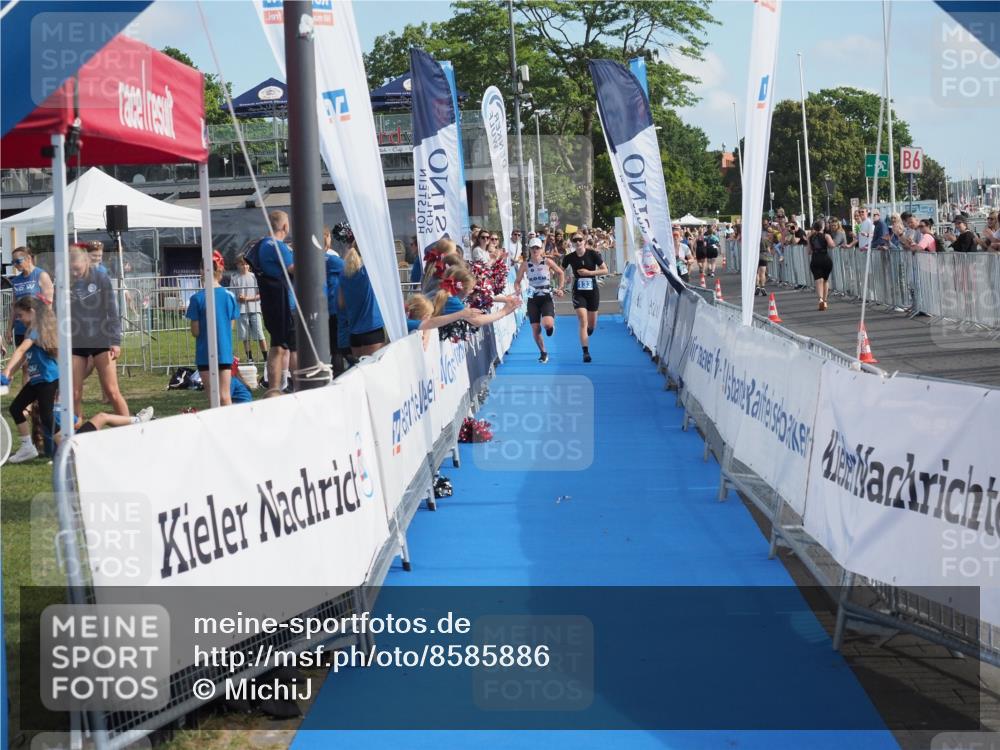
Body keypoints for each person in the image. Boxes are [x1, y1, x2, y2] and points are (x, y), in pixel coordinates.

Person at [68, 243, 129, 418]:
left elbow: (112, 311)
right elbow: (58, 313)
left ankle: (131, 426)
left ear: (86, 260)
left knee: (111, 391)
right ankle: (76, 435)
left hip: (101, 340)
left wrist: (115, 341)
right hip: (77, 342)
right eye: (71, 270)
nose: (75, 273)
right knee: (74, 394)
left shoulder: (101, 278)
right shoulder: (65, 282)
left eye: (77, 269)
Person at [1, 297, 59, 462]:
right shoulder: (30, 330)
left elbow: (20, 351)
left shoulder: (36, 330)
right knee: (16, 408)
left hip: (48, 379)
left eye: (20, 315)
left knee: (47, 417)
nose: (18, 319)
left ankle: (68, 451)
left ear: (32, 312)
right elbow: (23, 358)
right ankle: (28, 447)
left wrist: (5, 371)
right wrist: (10, 374)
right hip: (36, 380)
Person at [251, 210, 297, 394]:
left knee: (277, 345)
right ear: (285, 226)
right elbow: (293, 269)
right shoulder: (278, 246)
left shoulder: (262, 244)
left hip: (271, 303)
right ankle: (300, 386)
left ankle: (274, 389)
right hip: (286, 303)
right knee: (294, 347)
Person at [186, 251, 240, 407]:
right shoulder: (229, 296)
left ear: (203, 271)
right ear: (220, 270)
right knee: (225, 396)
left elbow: (195, 331)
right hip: (224, 352)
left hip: (204, 354)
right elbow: (231, 326)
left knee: (212, 398)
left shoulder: (196, 298)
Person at [514, 237, 565, 363]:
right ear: (530, 249)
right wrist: (517, 289)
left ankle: (550, 327)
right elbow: (517, 281)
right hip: (533, 298)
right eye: (533, 248)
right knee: (536, 329)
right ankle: (543, 352)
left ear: (541, 249)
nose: (535, 250)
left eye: (537, 247)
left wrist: (560, 288)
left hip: (546, 296)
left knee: (547, 324)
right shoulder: (525, 264)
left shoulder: (547, 262)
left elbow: (560, 273)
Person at [561, 232, 608, 363]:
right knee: (583, 320)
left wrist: (590, 273)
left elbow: (605, 270)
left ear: (584, 241)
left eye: (580, 240)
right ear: (572, 242)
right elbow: (560, 270)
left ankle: (588, 332)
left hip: (592, 290)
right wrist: (562, 281)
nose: (577, 242)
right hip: (578, 291)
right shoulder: (569, 257)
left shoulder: (592, 254)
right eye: (574, 240)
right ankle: (585, 352)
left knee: (591, 325)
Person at [4, 247, 53, 368]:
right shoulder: (16, 280)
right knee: (26, 366)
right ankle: (29, 387)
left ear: (28, 258)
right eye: (13, 262)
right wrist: (9, 328)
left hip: (38, 327)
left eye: (18, 261)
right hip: (21, 327)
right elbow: (14, 307)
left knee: (41, 362)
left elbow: (49, 304)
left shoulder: (41, 275)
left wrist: (43, 325)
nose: (15, 265)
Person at [339, 240, 386, 358]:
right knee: (374, 371)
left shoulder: (343, 275)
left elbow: (341, 303)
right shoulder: (368, 272)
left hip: (354, 333)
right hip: (372, 330)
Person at [230, 255, 268, 363]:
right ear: (237, 265)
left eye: (246, 264)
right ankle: (249, 358)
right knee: (245, 336)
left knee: (260, 334)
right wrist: (239, 298)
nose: (245, 266)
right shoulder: (234, 278)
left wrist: (247, 298)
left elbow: (260, 294)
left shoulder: (254, 277)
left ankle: (266, 357)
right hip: (241, 311)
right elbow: (233, 295)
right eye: (242, 264)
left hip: (255, 309)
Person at [807, 220, 835, 310]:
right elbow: (832, 245)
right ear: (822, 227)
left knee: (818, 280)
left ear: (814, 228)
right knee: (825, 280)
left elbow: (809, 251)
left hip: (815, 259)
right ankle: (825, 301)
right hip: (825, 259)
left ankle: (820, 299)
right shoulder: (826, 236)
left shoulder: (811, 237)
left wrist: (808, 240)